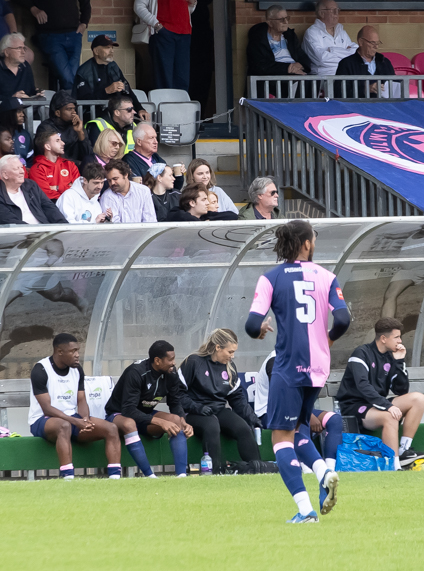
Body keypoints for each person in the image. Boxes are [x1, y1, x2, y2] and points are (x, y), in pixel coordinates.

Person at [245, 219, 349, 521]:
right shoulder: (328, 276)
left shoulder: (271, 278)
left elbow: (252, 325)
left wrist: (260, 331)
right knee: (298, 429)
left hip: (289, 365)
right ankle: (323, 472)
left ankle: (305, 511)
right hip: (318, 367)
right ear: (306, 243)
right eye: (313, 239)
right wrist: (327, 340)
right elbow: (343, 319)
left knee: (280, 438)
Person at [334, 318, 424, 470]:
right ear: (384, 338)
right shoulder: (361, 353)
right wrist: (387, 406)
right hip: (354, 407)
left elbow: (401, 390)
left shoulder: (391, 356)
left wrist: (399, 361)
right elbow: (363, 386)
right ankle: (394, 466)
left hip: (376, 405)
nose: (400, 341)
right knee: (390, 416)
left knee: (418, 399)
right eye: (396, 337)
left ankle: (404, 449)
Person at [28, 333, 121, 479]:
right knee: (64, 426)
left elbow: (81, 400)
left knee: (111, 428)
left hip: (72, 419)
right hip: (43, 420)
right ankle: (68, 477)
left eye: (78, 350)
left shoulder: (77, 369)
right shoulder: (41, 370)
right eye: (73, 351)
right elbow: (47, 408)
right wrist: (76, 422)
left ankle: (115, 477)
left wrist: (85, 420)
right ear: (59, 351)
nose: (77, 355)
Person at [179, 329, 267, 474]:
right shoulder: (193, 362)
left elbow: (237, 399)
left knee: (243, 428)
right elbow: (177, 394)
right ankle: (215, 472)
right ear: (218, 347)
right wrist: (197, 407)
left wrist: (252, 418)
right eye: (230, 352)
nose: (232, 356)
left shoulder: (230, 366)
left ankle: (258, 470)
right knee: (211, 425)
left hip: (218, 410)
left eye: (234, 352)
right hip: (194, 413)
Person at [107, 341, 194, 479]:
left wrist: (183, 421)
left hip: (145, 416)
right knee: (129, 423)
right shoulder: (136, 372)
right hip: (119, 414)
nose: (174, 363)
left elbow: (175, 402)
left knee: (176, 420)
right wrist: (160, 422)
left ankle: (182, 475)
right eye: (170, 359)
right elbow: (129, 410)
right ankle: (149, 475)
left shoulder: (171, 374)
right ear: (157, 360)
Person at [0, 154, 66, 226]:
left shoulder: (31, 185)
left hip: (44, 232)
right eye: (16, 169)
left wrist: (64, 227)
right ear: (5, 175)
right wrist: (40, 232)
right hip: (22, 237)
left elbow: (49, 208)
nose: (22, 171)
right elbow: (12, 224)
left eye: (22, 167)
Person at [334, 25, 398, 98]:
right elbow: (338, 93)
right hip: (358, 105)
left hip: (384, 104)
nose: (376, 46)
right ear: (361, 42)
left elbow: (396, 85)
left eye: (378, 43)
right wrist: (364, 90)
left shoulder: (384, 62)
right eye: (372, 43)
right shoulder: (346, 64)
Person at [302, 0, 357, 79]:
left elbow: (356, 53)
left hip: (346, 75)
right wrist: (346, 53)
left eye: (337, 10)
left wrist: (331, 50)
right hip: (324, 78)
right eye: (333, 10)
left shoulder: (341, 32)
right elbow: (321, 59)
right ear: (322, 13)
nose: (336, 14)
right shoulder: (312, 33)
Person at [0, 32, 38, 102]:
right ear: (6, 52)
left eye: (24, 48)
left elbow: (31, 91)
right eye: (19, 48)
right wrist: (11, 98)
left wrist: (37, 94)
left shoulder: (25, 66)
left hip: (24, 108)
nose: (23, 52)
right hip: (1, 108)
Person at [27, 124, 80, 201]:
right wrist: (68, 187)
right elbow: (45, 196)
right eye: (57, 141)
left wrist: (57, 188)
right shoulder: (37, 169)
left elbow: (79, 190)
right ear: (48, 146)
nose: (63, 143)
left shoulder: (70, 165)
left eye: (61, 140)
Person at [75, 32, 131, 101]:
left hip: (117, 106)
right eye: (108, 48)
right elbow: (83, 99)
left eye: (112, 48)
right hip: (95, 108)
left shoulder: (113, 66)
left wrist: (139, 107)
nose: (112, 51)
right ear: (96, 51)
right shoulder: (84, 71)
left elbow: (129, 91)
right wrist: (106, 91)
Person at [54, 159, 107, 224]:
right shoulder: (68, 196)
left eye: (102, 182)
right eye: (96, 183)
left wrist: (106, 222)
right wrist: (94, 222)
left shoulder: (96, 202)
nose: (100, 186)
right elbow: (67, 225)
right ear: (85, 180)